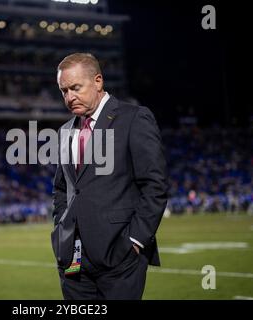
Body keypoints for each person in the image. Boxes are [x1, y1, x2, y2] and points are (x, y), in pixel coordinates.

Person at [51, 53, 168, 300]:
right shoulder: (64, 131)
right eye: (64, 91)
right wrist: (61, 229)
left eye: (75, 88)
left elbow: (154, 185)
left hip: (120, 256)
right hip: (73, 259)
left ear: (98, 81)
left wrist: (134, 241)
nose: (69, 97)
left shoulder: (134, 118)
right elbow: (63, 190)